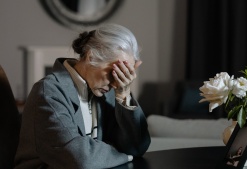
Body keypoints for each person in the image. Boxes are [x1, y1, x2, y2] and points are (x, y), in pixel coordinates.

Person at [14, 23, 151, 169]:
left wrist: (123, 95)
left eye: (123, 74)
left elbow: (138, 146)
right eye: (114, 72)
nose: (115, 83)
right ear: (91, 56)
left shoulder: (109, 89)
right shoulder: (48, 92)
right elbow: (80, 159)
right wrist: (124, 154)